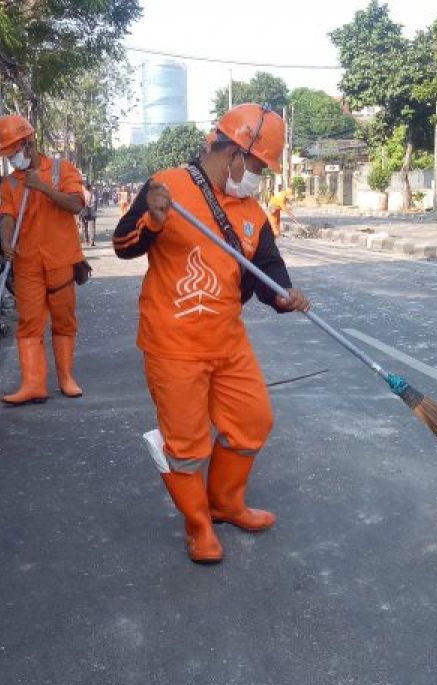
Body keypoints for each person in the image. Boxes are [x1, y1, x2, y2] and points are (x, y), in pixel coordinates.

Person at [112, 103, 312, 565]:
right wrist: (153, 219)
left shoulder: (252, 211)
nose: (260, 175)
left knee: (253, 420)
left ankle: (225, 503)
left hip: (227, 341)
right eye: (259, 165)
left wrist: (284, 295)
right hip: (173, 344)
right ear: (235, 152)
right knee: (185, 446)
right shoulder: (168, 187)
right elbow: (124, 245)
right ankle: (198, 524)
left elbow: (266, 272)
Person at [0, 114, 87, 403]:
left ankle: (66, 379)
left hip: (61, 260)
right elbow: (7, 217)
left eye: (12, 152)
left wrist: (43, 187)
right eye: (7, 153)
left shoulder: (62, 170)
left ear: (29, 144)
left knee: (64, 321)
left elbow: (75, 205)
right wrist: (6, 241)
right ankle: (33, 384)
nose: (11, 159)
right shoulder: (10, 183)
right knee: (29, 323)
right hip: (27, 263)